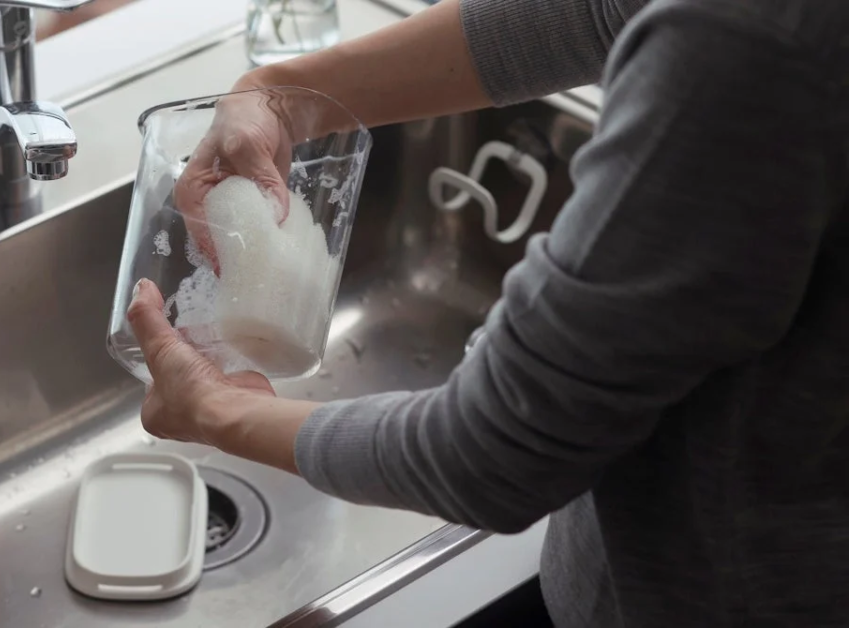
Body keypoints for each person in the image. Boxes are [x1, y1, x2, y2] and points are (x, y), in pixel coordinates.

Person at [126, 0, 849, 625]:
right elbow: (601, 11)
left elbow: (493, 452)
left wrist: (217, 409)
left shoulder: (754, 46)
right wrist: (281, 94)